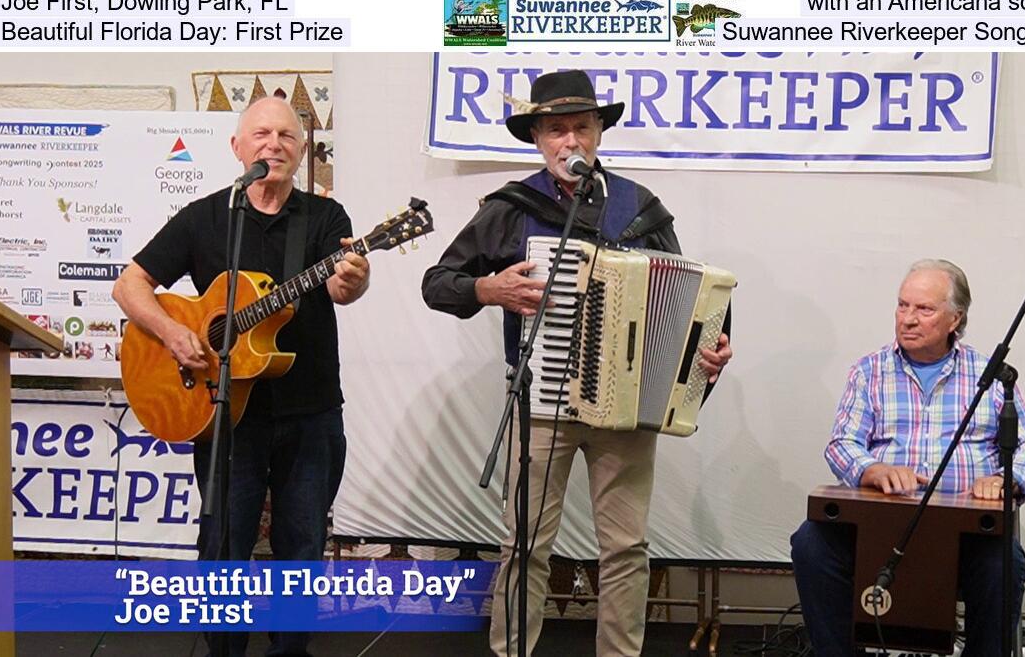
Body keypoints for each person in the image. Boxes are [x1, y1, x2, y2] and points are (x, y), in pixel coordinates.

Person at [421, 69, 733, 656]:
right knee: (527, 543)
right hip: (541, 404)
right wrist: (490, 290)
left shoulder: (640, 208)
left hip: (625, 411)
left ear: (598, 134)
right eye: (557, 130)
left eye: (582, 128)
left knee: (625, 546)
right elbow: (438, 283)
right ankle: (512, 650)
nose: (571, 141)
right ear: (538, 139)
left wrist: (707, 352)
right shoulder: (512, 207)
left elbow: (693, 305)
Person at [112, 96, 370, 657]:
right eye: (260, 134)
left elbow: (340, 287)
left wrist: (352, 279)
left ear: (301, 152)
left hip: (310, 412)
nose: (272, 144)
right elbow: (129, 285)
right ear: (237, 147)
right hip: (223, 412)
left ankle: (289, 650)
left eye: (285, 136)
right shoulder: (208, 216)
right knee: (224, 542)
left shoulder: (326, 219)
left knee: (300, 545)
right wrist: (173, 333)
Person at [789, 259, 1025, 657]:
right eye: (902, 306)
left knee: (1004, 561)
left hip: (964, 536)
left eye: (923, 309)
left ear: (954, 319)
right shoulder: (870, 371)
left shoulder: (990, 375)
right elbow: (841, 444)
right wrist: (872, 470)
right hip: (881, 527)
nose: (908, 319)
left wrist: (1006, 479)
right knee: (811, 542)